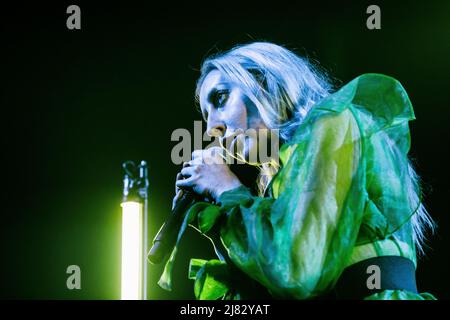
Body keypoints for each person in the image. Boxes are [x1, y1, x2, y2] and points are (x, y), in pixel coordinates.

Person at [158, 41, 436, 300]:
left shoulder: (333, 122)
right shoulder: (280, 176)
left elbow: (298, 269)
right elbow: (273, 285)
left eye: (220, 98)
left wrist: (228, 190)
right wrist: (220, 217)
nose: (212, 129)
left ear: (263, 82)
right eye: (205, 118)